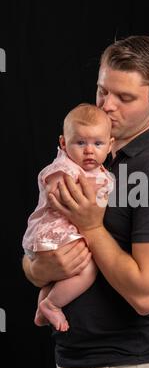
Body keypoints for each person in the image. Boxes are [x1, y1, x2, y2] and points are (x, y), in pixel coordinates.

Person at [22, 35, 149, 368]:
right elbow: (40, 238)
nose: (108, 107)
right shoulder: (87, 154)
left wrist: (91, 227)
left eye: (125, 98)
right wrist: (37, 270)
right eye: (103, 92)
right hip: (73, 361)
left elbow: (146, 294)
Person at [22, 103, 114, 332]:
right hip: (53, 232)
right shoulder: (64, 168)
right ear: (64, 143)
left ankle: (42, 305)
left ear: (110, 145)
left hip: (63, 235)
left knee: (57, 276)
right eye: (80, 143)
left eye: (98, 143)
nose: (89, 150)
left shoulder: (102, 172)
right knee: (88, 268)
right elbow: (55, 192)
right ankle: (53, 304)